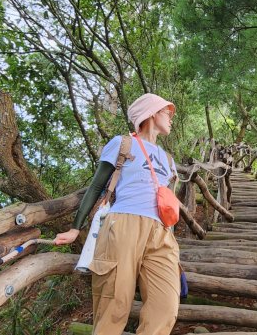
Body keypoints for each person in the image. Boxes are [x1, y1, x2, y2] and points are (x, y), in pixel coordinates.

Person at [54, 93, 180, 335]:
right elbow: (96, 187)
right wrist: (75, 228)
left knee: (165, 307)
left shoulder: (168, 159)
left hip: (162, 233)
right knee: (114, 304)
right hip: (123, 224)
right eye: (167, 112)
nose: (171, 118)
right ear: (152, 113)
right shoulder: (123, 144)